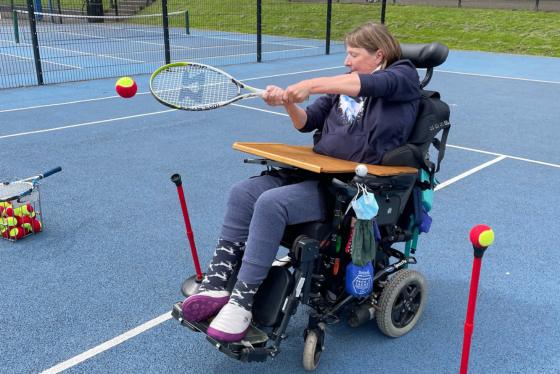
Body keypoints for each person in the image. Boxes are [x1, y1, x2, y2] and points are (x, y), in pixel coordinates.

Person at [181, 22, 421, 343]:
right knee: (243, 193)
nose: (346, 61)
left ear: (379, 54)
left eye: (353, 54)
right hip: (315, 172)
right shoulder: (341, 88)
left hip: (348, 187)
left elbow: (367, 85)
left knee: (271, 204)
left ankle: (242, 301)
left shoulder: (404, 76)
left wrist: (309, 83)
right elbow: (306, 124)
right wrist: (288, 102)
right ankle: (216, 282)